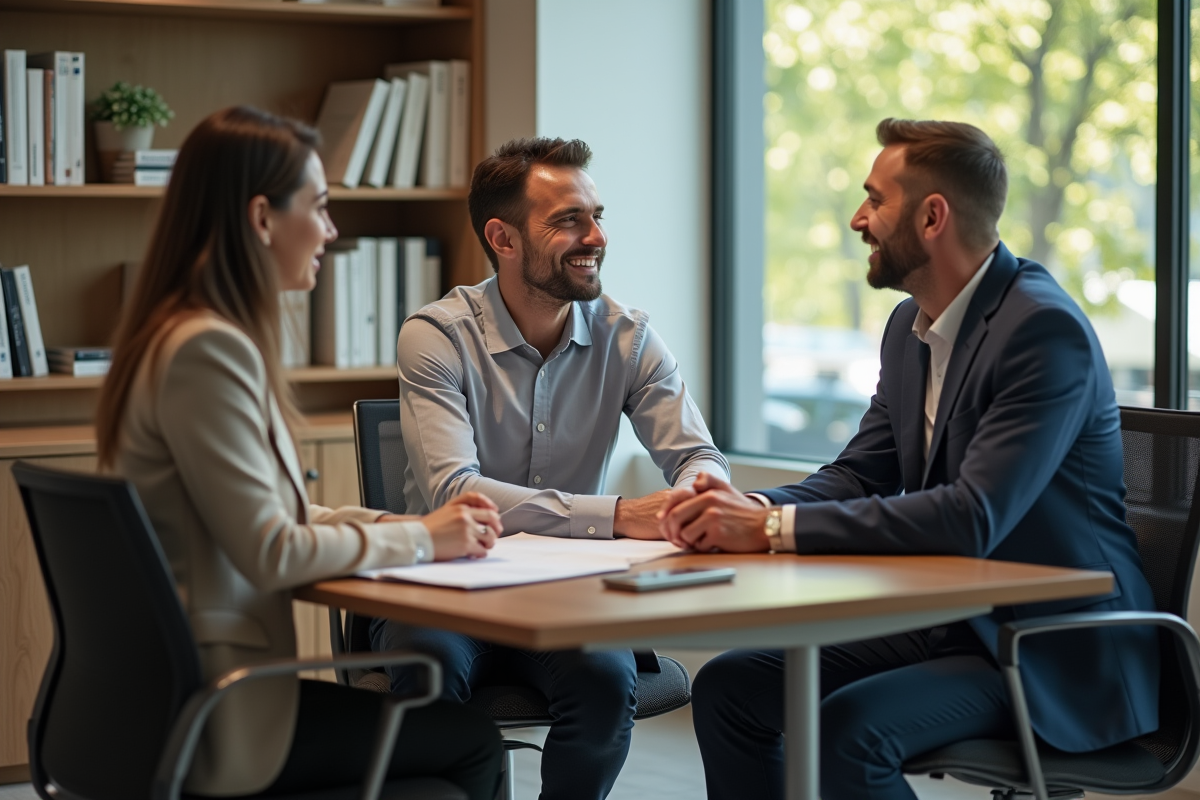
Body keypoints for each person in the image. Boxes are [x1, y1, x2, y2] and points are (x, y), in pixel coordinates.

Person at [658, 119, 1160, 800]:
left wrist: (770, 531)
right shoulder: (909, 328)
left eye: (875, 199)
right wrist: (748, 508)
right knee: (731, 686)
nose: (857, 218)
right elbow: (860, 473)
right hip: (957, 625)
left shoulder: (1042, 330)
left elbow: (971, 517)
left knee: (851, 731)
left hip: (1056, 648)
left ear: (932, 217)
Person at [94, 106, 504, 800]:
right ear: (262, 218)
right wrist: (422, 541)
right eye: (318, 207)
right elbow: (271, 551)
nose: (331, 231)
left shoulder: (177, 335)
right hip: (221, 714)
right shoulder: (207, 351)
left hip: (176, 695)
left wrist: (397, 526)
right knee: (472, 742)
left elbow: (269, 514)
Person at [370, 136, 730, 800]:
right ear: (502, 239)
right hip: (446, 586)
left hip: (569, 591)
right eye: (569, 220)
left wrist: (696, 496)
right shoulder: (437, 335)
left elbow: (697, 456)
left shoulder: (630, 338)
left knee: (606, 682)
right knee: (427, 678)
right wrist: (620, 516)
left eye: (597, 216)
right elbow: (456, 492)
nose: (596, 237)